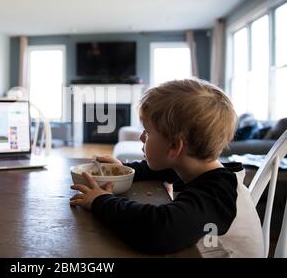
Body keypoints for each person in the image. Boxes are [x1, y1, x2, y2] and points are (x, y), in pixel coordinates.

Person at [70, 78, 264, 257]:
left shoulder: (217, 194)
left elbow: (159, 230)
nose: (141, 137)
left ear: (174, 146)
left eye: (147, 131)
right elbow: (152, 169)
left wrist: (101, 201)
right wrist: (121, 170)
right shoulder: (193, 167)